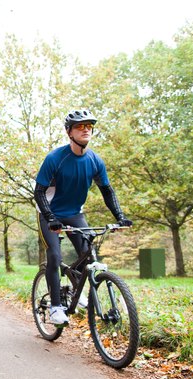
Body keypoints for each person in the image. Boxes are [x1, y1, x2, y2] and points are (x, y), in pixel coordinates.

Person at [34, 109, 132, 325]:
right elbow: (39, 192)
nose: (86, 129)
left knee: (88, 255)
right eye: (80, 126)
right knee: (55, 257)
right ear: (69, 132)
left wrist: (120, 216)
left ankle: (76, 293)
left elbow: (107, 190)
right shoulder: (55, 158)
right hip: (49, 214)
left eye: (89, 126)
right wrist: (50, 218)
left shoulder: (95, 161)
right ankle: (55, 307)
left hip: (75, 213)